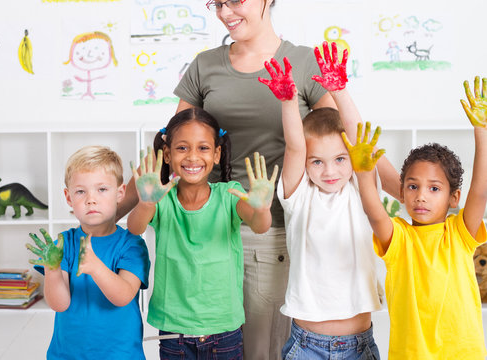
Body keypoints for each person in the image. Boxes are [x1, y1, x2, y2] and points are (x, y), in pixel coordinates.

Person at [163, 1, 339, 357]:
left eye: (236, 1)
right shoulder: (205, 65)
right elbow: (172, 145)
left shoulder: (304, 63)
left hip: (269, 232)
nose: (226, 12)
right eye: (217, 3)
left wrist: (402, 187)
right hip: (206, 232)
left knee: (262, 351)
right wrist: (111, 208)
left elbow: (345, 139)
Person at [258, 41, 400, 359]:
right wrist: (288, 101)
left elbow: (358, 134)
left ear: (353, 158)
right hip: (307, 345)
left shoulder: (361, 190)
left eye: (339, 159)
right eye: (317, 161)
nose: (329, 171)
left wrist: (340, 91)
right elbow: (295, 146)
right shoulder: (299, 197)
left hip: (360, 345)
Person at [349, 76, 487, 359]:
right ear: (401, 190)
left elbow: (481, 192)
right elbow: (374, 214)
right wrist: (364, 176)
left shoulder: (460, 234)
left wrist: (482, 131)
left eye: (434, 188)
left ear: (454, 198)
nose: (421, 195)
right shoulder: (399, 237)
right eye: (413, 186)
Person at [127, 107, 277, 359]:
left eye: (203, 148)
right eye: (182, 148)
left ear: (217, 154)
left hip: (224, 331)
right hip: (174, 331)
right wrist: (145, 203)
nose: (192, 157)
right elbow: (135, 228)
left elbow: (260, 225)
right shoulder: (163, 200)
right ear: (167, 154)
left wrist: (261, 208)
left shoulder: (229, 194)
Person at [26, 145, 150, 360]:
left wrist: (95, 267)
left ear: (120, 193)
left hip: (120, 355)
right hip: (67, 354)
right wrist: (53, 270)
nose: (91, 199)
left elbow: (123, 296)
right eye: (81, 191)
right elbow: (59, 304)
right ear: (68, 197)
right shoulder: (63, 244)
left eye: (102, 189)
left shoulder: (131, 245)